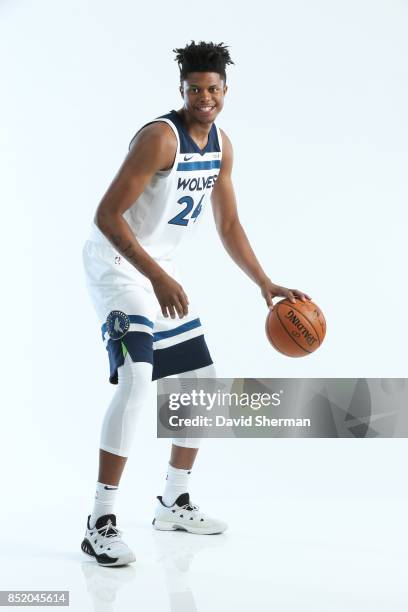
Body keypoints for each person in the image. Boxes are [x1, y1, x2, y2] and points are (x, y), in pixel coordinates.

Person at [81, 40, 311, 567]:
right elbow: (106, 215)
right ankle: (100, 521)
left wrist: (265, 283)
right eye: (194, 89)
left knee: (200, 383)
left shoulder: (222, 145)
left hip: (159, 271)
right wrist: (157, 276)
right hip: (118, 268)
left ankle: (172, 502)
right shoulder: (160, 140)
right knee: (140, 379)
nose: (204, 98)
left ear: (225, 91)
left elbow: (228, 224)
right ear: (181, 90)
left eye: (213, 89)